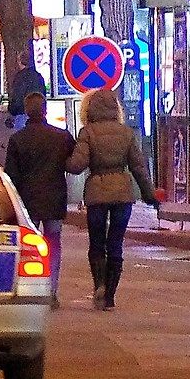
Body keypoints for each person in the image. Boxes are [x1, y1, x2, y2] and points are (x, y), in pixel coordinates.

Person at [68, 86, 156, 311]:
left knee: (97, 243)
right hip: (122, 193)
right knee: (116, 243)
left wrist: (63, 160)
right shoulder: (126, 133)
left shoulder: (87, 132)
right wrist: (149, 194)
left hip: (96, 192)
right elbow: (138, 167)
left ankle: (99, 285)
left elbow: (77, 166)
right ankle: (110, 296)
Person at [2, 91, 76, 306]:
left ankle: (33, 290)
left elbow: (11, 175)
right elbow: (74, 163)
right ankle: (52, 290)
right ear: (45, 111)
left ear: (26, 112)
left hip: (28, 201)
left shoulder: (18, 140)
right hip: (54, 198)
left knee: (30, 247)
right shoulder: (62, 137)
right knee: (54, 242)